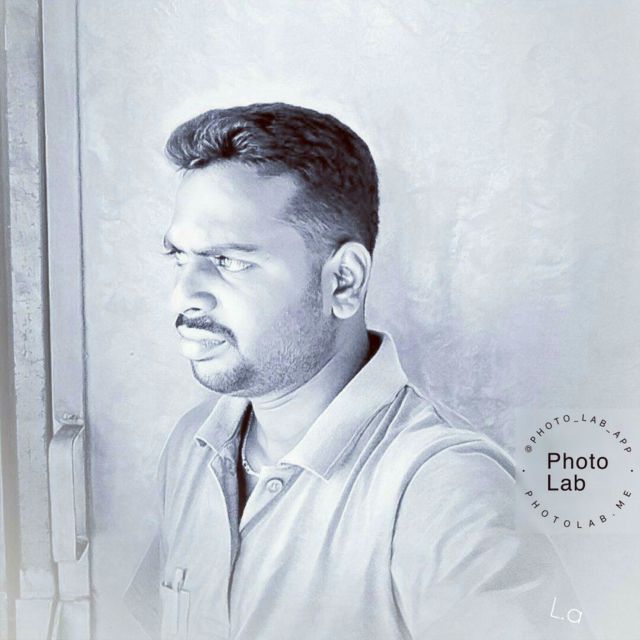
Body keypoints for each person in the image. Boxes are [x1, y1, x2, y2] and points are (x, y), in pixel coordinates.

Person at [125, 103, 592, 640]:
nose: (183, 295)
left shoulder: (443, 489)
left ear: (343, 281)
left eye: (229, 261)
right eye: (179, 258)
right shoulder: (193, 447)